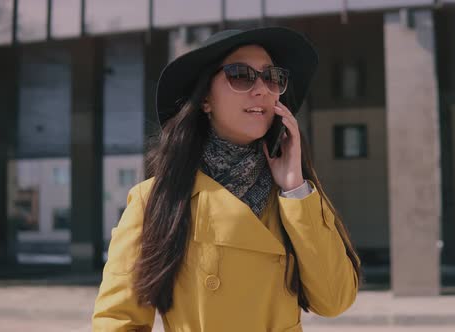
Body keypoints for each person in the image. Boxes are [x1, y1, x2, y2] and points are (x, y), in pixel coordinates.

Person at [92, 26, 362, 332]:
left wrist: (295, 189)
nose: (261, 88)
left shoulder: (295, 195)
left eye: (271, 77)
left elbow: (335, 300)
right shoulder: (156, 199)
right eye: (240, 75)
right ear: (205, 98)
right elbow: (118, 323)